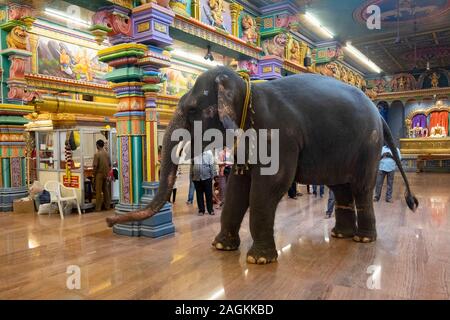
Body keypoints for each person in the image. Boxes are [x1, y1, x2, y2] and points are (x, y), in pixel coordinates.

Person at [191, 150, 217, 216]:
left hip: (207, 177)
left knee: (208, 194)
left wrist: (213, 176)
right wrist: (192, 176)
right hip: (197, 178)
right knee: (199, 195)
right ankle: (201, 210)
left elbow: (212, 165)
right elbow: (192, 165)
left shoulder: (209, 153)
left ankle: (210, 210)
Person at [93, 139, 111, 211]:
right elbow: (109, 164)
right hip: (106, 174)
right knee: (106, 190)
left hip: (99, 174)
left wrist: (93, 174)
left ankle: (98, 208)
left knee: (98, 191)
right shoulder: (107, 153)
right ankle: (107, 206)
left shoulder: (97, 154)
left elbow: (95, 166)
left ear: (97, 145)